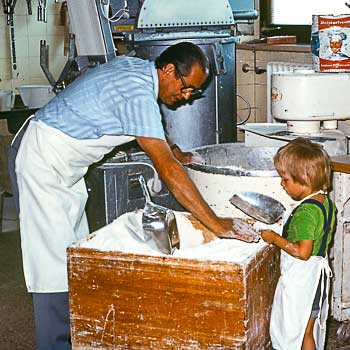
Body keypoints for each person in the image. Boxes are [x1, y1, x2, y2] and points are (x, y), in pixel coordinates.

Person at [8, 42, 256, 350]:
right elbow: (166, 168)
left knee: (77, 261)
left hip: (63, 169)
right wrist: (217, 224)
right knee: (52, 271)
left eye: (193, 92)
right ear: (168, 70)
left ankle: (79, 340)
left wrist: (176, 153)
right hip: (40, 160)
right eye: (186, 87)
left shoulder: (140, 71)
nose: (187, 97)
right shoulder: (138, 92)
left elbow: (153, 129)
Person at [260, 138, 336, 350]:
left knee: (294, 332)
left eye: (285, 179)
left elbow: (303, 252)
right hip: (317, 279)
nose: (281, 184)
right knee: (306, 332)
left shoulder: (306, 213)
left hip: (303, 281)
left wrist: (275, 239)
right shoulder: (325, 202)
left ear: (305, 178)